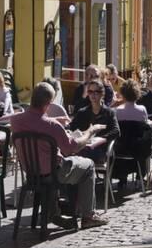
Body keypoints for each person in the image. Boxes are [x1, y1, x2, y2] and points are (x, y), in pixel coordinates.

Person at [10, 82, 108, 230]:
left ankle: (53, 213)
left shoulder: (16, 120)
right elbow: (70, 148)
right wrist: (90, 131)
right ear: (49, 104)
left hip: (31, 172)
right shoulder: (52, 125)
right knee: (88, 165)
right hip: (53, 173)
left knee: (53, 162)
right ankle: (88, 216)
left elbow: (34, 127)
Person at [69, 79, 120, 163]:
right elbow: (72, 127)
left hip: (99, 149)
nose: (93, 94)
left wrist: (101, 139)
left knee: (78, 155)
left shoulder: (109, 112)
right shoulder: (82, 112)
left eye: (96, 92)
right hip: (83, 146)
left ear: (102, 94)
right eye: (90, 91)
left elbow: (116, 131)